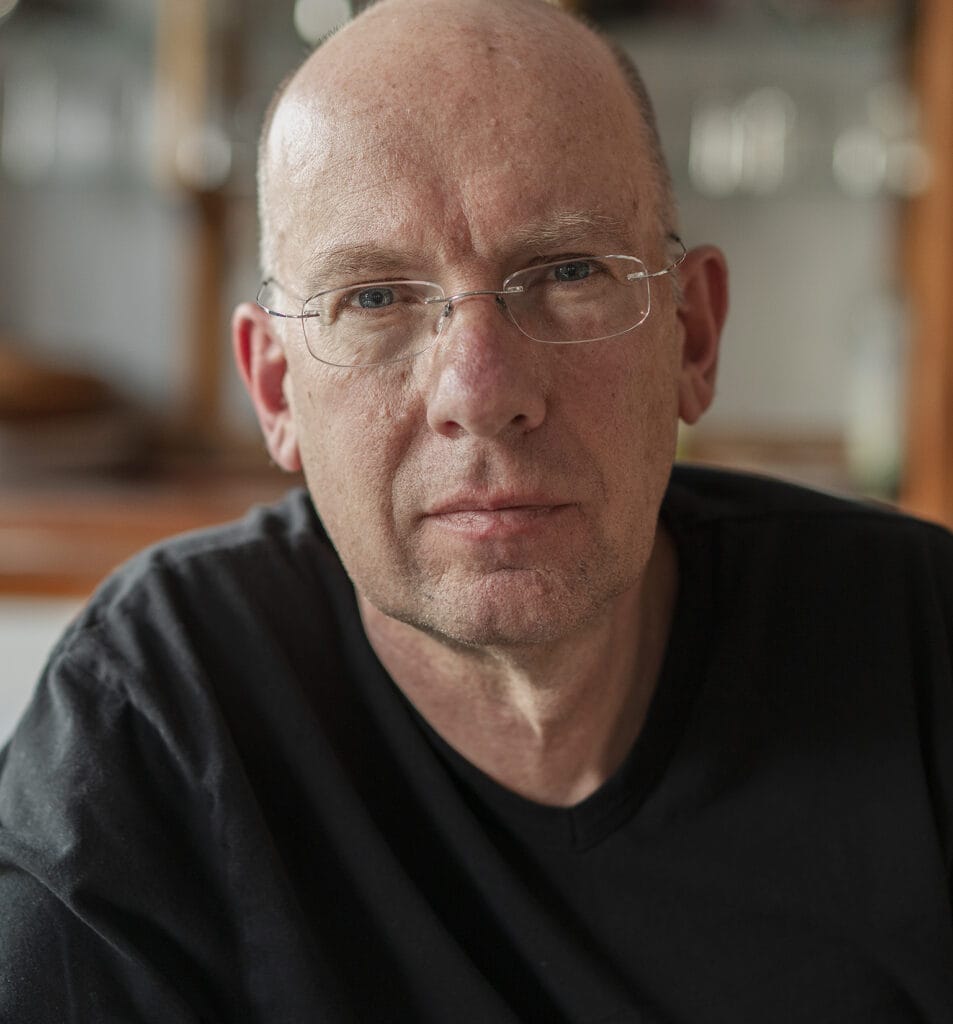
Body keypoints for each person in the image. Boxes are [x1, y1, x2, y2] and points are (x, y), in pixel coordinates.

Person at [1, 0, 952, 1020]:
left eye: (567, 273)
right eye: (372, 297)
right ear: (275, 390)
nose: (480, 388)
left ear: (690, 335)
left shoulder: (919, 644)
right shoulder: (157, 710)